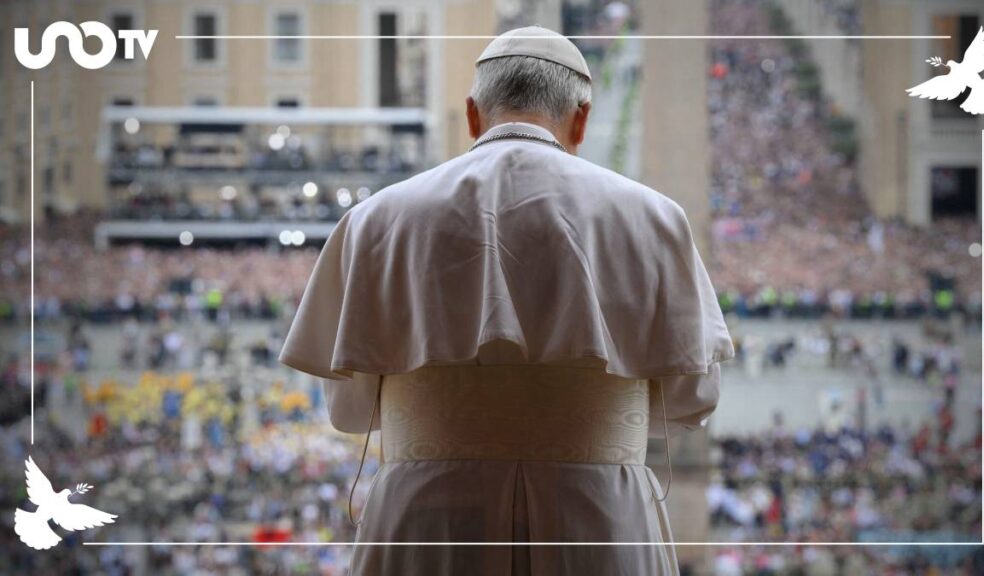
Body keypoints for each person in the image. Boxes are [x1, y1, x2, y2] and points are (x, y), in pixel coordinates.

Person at [279, 25, 734, 576]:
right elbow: (689, 398)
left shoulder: (376, 220)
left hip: (430, 521)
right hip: (599, 520)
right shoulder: (654, 218)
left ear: (472, 115)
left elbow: (350, 409)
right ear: (582, 120)